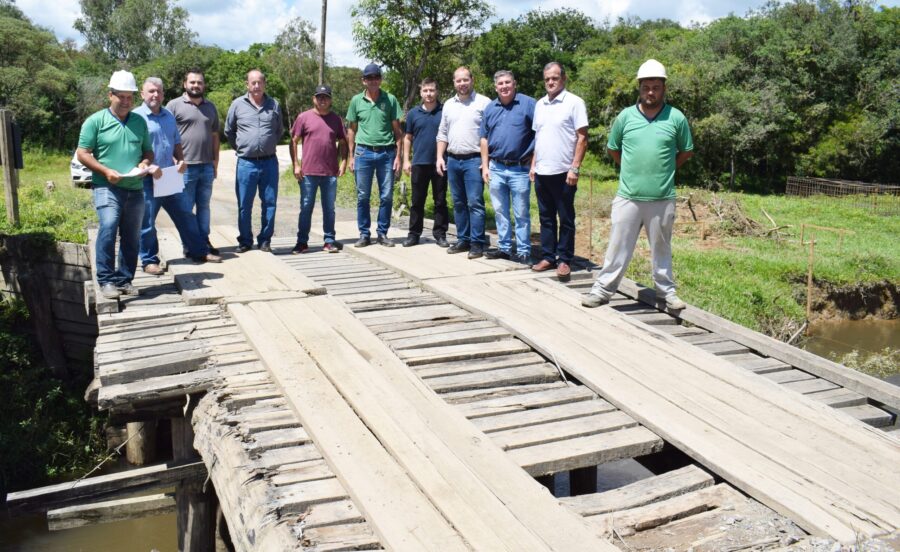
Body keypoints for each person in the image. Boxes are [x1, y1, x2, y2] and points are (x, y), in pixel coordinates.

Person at [583, 59, 694, 310]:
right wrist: (630, 169)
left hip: (662, 197)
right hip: (628, 197)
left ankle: (667, 292)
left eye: (656, 87)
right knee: (618, 245)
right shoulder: (625, 116)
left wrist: (666, 169)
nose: (651, 92)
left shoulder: (676, 118)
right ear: (639, 88)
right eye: (646, 87)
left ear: (664, 88)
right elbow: (613, 149)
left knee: (661, 247)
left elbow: (686, 151)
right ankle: (602, 290)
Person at [77, 70, 154, 299]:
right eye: (121, 96)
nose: (126, 101)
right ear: (110, 95)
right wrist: (105, 171)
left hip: (135, 188)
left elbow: (148, 150)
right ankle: (106, 280)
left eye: (130, 97)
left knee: (132, 235)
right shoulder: (95, 121)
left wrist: (145, 162)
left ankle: (125, 279)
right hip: (106, 186)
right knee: (109, 227)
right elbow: (82, 153)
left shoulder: (139, 122)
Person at [134, 77, 221, 274]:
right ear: (142, 94)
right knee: (147, 222)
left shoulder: (167, 115)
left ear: (163, 94)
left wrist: (180, 160)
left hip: (169, 176)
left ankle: (198, 251)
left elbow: (176, 142)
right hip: (147, 178)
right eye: (151, 91)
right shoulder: (136, 117)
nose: (155, 95)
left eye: (159, 91)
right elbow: (132, 150)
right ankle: (149, 261)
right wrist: (146, 167)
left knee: (185, 215)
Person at [530, 62, 588, 280]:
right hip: (542, 171)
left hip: (564, 172)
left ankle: (564, 259)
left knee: (565, 217)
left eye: (554, 78)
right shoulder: (540, 104)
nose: (550, 82)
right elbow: (539, 137)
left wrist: (575, 168)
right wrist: (534, 165)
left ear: (563, 79)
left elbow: (582, 138)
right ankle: (548, 256)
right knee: (546, 217)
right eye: (547, 79)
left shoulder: (574, 102)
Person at [479, 70, 536, 264]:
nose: (504, 86)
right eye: (500, 83)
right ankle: (503, 248)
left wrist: (534, 162)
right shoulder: (490, 108)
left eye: (507, 83)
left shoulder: (528, 104)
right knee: (500, 211)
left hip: (520, 169)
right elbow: (484, 138)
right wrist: (485, 166)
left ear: (514, 84)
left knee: (521, 213)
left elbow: (540, 133)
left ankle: (524, 251)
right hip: (496, 167)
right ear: (495, 87)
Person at [224, 69, 284, 253]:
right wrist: (243, 148)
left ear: (264, 84)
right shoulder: (237, 105)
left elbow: (279, 131)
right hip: (246, 163)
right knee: (244, 204)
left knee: (270, 203)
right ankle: (245, 240)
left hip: (269, 163)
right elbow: (229, 131)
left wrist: (266, 145)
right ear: (247, 84)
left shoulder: (274, 104)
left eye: (260, 82)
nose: (256, 86)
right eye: (253, 82)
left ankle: (265, 240)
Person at [436, 66, 491, 259]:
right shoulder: (448, 105)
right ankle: (463, 239)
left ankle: (477, 243)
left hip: (474, 160)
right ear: (454, 83)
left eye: (465, 79)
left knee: (475, 202)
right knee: (458, 203)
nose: (462, 84)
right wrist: (439, 157)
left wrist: (486, 162)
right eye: (458, 80)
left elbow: (490, 134)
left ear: (472, 80)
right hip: (452, 159)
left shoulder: (484, 103)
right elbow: (442, 133)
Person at [345, 63, 402, 247]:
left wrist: (398, 156)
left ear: (380, 79)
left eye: (376, 77)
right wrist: (351, 156)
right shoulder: (356, 101)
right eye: (369, 78)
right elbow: (351, 130)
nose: (373, 81)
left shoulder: (390, 99)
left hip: (386, 153)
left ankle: (382, 233)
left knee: (386, 196)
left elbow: (397, 131)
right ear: (363, 80)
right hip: (363, 153)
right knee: (363, 196)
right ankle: (364, 234)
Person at [166, 69, 220, 255]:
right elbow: (167, 135)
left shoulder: (210, 107)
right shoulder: (173, 106)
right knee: (185, 209)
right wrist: (174, 160)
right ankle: (189, 244)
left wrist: (215, 162)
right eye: (192, 82)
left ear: (204, 85)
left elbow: (214, 136)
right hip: (184, 167)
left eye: (199, 82)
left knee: (204, 206)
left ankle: (204, 241)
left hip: (206, 166)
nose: (196, 85)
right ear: (185, 84)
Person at [289, 85, 348, 254]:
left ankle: (329, 241)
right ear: (314, 99)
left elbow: (343, 142)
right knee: (306, 207)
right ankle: (302, 242)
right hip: (308, 173)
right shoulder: (303, 117)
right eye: (319, 97)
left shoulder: (336, 119)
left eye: (326, 97)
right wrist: (296, 165)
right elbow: (293, 140)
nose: (322, 100)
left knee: (329, 208)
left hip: (330, 173)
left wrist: (343, 161)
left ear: (330, 100)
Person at [402, 78, 449, 248]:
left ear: (437, 92)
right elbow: (407, 138)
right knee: (417, 201)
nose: (428, 94)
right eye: (425, 91)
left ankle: (440, 234)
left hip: (440, 162)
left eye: (432, 90)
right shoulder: (414, 113)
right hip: (419, 163)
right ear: (421, 92)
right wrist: (406, 160)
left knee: (440, 200)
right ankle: (414, 234)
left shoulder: (445, 111)